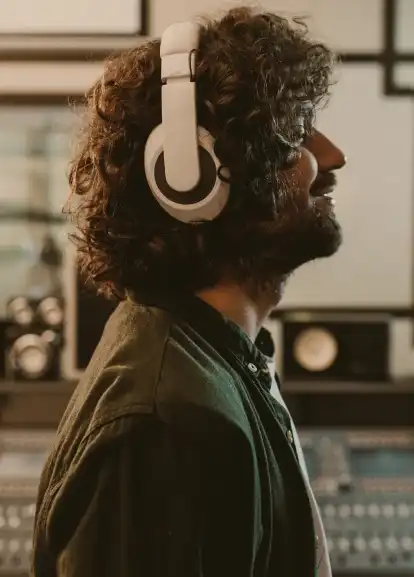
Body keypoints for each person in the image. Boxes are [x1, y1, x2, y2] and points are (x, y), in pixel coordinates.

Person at [32, 6, 346, 577]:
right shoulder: (163, 420)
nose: (331, 157)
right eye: (294, 135)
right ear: (192, 177)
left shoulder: (216, 366)